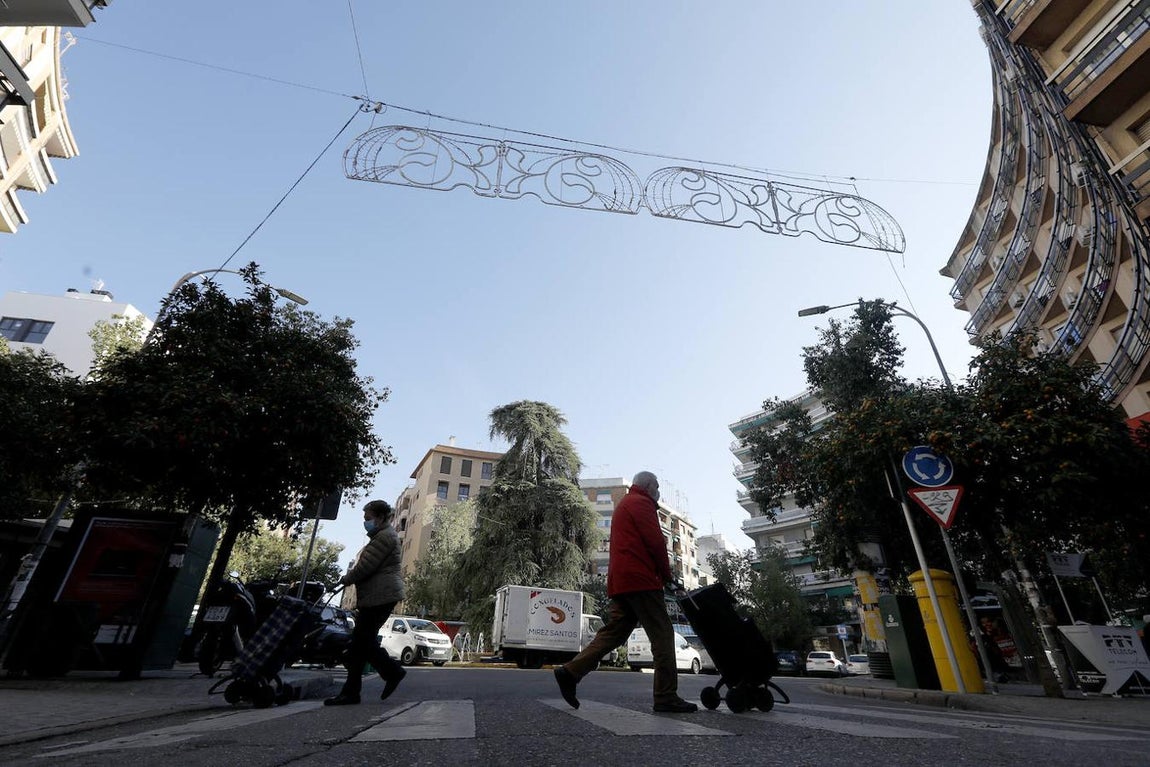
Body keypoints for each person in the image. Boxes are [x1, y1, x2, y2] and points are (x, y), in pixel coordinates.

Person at [553, 471, 697, 713]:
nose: (658, 492)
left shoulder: (625, 504)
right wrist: (667, 576)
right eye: (657, 487)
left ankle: (571, 671)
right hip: (641, 580)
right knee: (662, 635)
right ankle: (666, 696)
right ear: (648, 486)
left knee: (615, 632)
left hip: (622, 581)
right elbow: (656, 543)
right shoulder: (642, 504)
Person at [324, 500, 407, 706]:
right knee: (360, 645)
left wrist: (346, 579)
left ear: (380, 518)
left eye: (368, 518)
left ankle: (390, 672)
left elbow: (366, 566)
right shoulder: (384, 536)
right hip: (380, 595)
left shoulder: (384, 537)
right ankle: (356, 689)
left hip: (381, 595)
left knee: (362, 642)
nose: (365, 522)